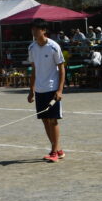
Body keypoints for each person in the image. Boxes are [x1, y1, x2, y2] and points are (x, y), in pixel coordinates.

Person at [28, 18, 66, 163]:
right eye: (32, 29)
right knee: (44, 120)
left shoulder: (53, 46)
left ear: (43, 30)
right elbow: (34, 70)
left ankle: (54, 152)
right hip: (40, 89)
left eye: (36, 29)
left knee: (53, 120)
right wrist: (31, 90)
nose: (34, 32)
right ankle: (58, 149)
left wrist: (60, 90)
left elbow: (61, 68)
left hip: (52, 88)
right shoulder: (31, 47)